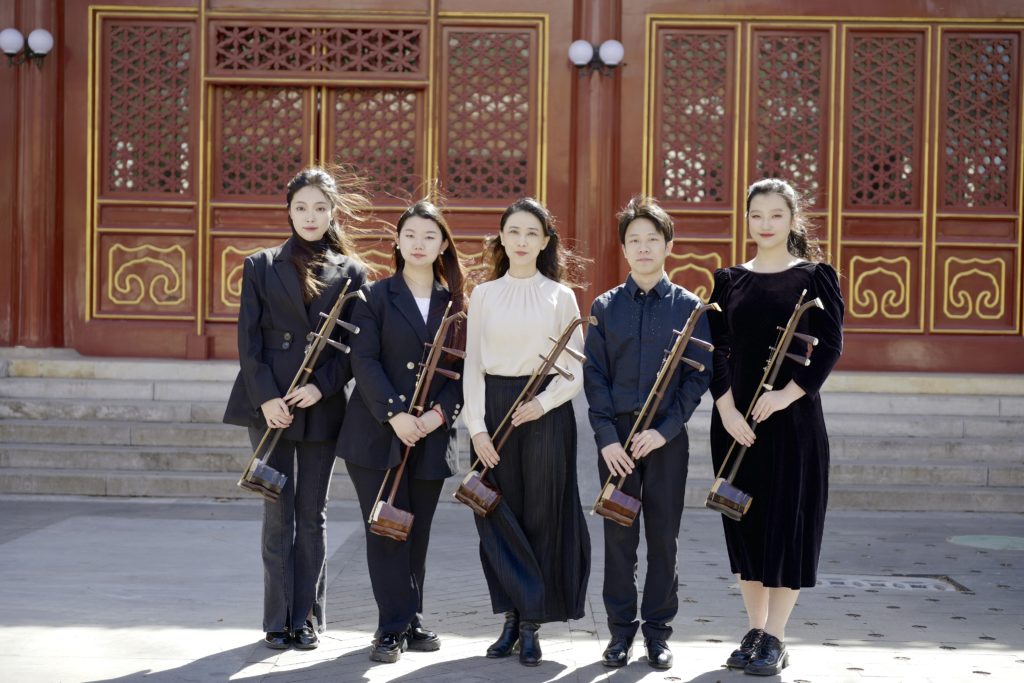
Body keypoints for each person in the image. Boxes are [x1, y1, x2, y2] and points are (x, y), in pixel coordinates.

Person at [223, 167, 370, 650]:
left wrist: (321, 387)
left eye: (320, 208)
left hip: (320, 407)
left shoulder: (351, 272)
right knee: (276, 514)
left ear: (332, 212)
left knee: (312, 516)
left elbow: (356, 349)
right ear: (288, 210)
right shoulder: (260, 265)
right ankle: (276, 618)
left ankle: (305, 617)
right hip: (268, 406)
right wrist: (268, 397)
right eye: (302, 207)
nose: (311, 216)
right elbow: (248, 341)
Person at [707, 178, 844, 676]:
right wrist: (727, 411)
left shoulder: (815, 277)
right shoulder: (728, 280)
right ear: (746, 219)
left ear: (792, 220)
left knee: (787, 527)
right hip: (735, 427)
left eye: (775, 215)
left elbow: (830, 346)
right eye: (756, 215)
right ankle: (754, 628)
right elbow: (715, 350)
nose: (765, 224)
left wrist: (785, 396)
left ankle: (777, 637)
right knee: (744, 527)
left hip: (793, 427)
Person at [583, 195, 712, 670]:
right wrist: (606, 438)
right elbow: (594, 376)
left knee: (663, 540)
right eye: (634, 240)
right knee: (618, 538)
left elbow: (698, 377)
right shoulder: (605, 307)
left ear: (668, 245)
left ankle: (658, 633)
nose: (642, 248)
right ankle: (620, 633)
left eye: (652, 239)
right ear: (623, 249)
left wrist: (665, 431)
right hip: (617, 442)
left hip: (665, 441)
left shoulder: (690, 308)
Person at [335, 200, 467, 663]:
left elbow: (464, 371)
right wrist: (395, 414)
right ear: (397, 241)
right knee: (386, 528)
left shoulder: (457, 305)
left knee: (418, 531)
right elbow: (363, 361)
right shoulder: (374, 296)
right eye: (410, 234)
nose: (418, 243)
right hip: (375, 432)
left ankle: (411, 619)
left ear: (443, 244)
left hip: (430, 435)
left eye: (429, 236)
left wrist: (436, 416)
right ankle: (390, 628)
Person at [462, 197, 591, 667]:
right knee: (495, 512)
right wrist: (477, 429)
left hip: (544, 413)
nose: (521, 241)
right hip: (494, 408)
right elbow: (473, 365)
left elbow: (575, 369)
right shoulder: (483, 294)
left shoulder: (560, 296)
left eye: (531, 233)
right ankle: (511, 617)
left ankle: (531, 623)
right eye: (513, 231)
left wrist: (543, 403)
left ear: (545, 241)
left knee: (541, 513)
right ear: (501, 238)